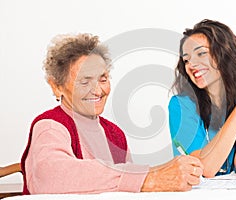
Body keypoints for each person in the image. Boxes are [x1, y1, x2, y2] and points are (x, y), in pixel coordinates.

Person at [20, 33, 204, 194]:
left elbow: (125, 185)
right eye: (84, 82)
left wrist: (164, 171)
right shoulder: (50, 126)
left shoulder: (114, 134)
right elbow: (51, 177)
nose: (97, 90)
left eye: (103, 79)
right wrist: (150, 179)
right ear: (56, 86)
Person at [168, 19, 236, 178]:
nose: (191, 64)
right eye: (186, 59)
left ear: (224, 55)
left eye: (201, 53)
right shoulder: (181, 106)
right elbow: (205, 169)